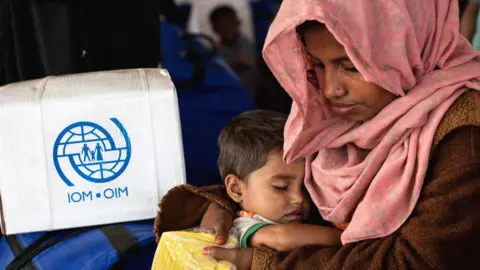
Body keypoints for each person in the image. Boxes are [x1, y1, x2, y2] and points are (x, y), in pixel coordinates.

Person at [155, 0, 480, 269]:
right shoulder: (337, 116)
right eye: (317, 66)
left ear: (407, 44)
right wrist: (226, 207)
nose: (330, 89)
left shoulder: (463, 132)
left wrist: (266, 261)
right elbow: (278, 175)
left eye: (351, 66)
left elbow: (414, 261)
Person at [214, 110, 341, 251]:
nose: (298, 198)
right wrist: (347, 237)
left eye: (305, 186)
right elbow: (281, 238)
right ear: (236, 188)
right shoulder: (242, 226)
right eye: (281, 187)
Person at [209, 5, 257, 93]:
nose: (227, 30)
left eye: (229, 25)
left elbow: (244, 67)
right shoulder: (215, 51)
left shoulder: (246, 45)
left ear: (237, 23)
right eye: (223, 27)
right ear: (215, 29)